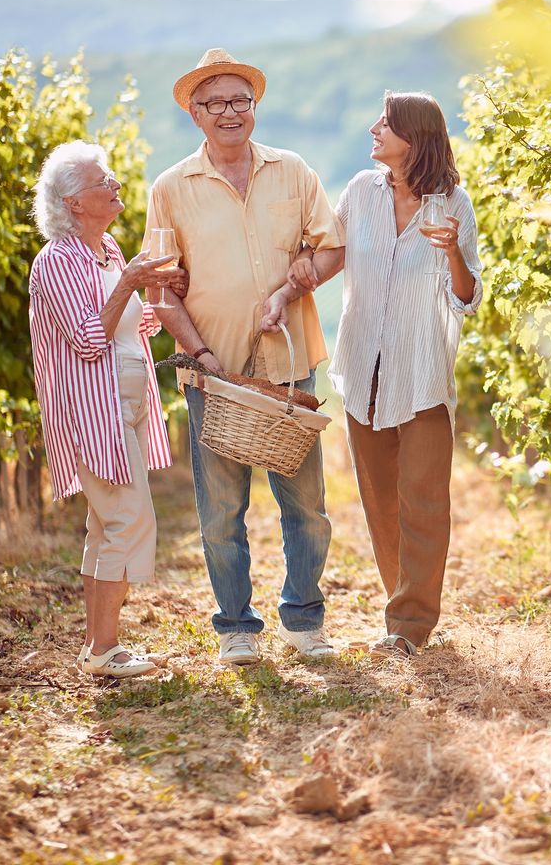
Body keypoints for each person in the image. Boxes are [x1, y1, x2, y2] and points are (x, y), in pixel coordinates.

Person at [263, 91, 482, 658]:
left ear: (415, 136)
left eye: (385, 123)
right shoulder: (360, 192)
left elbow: (468, 297)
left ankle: (410, 626)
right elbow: (331, 258)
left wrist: (454, 251)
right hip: (365, 370)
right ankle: (400, 617)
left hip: (423, 374)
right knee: (382, 502)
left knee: (424, 499)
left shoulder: (452, 205)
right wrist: (289, 287)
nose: (373, 128)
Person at [146, 49, 345, 666]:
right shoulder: (171, 188)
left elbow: (331, 249)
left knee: (306, 505)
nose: (231, 112)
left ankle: (304, 619)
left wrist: (289, 290)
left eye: (241, 100)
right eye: (216, 103)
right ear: (195, 115)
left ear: (254, 107)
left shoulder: (294, 171)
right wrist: (199, 356)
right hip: (214, 375)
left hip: (288, 369)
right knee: (220, 512)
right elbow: (161, 286)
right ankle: (236, 626)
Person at [28, 141, 185, 678]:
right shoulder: (57, 261)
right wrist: (131, 284)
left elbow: (132, 328)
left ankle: (99, 647)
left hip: (128, 401)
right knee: (127, 517)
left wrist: (156, 291)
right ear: (74, 202)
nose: (115, 184)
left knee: (105, 524)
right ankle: (106, 649)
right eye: (103, 181)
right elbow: (89, 337)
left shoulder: (110, 250)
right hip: (93, 409)